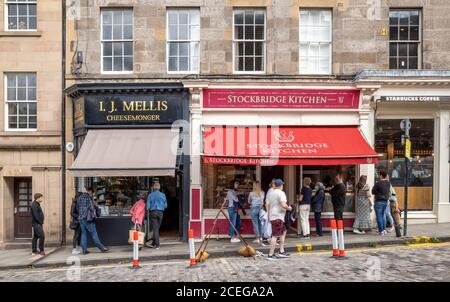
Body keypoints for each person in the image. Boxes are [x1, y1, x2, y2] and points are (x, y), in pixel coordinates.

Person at [266, 179, 292, 261]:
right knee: (275, 235)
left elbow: (267, 204)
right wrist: (289, 208)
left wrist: (269, 215)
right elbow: (283, 205)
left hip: (273, 216)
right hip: (278, 217)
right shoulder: (281, 193)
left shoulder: (271, 193)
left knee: (284, 231)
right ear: (281, 185)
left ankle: (281, 251)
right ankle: (270, 254)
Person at [78, 186, 109, 255]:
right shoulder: (88, 198)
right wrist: (96, 205)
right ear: (90, 191)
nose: (91, 194)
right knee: (94, 233)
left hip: (80, 218)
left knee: (83, 233)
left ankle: (84, 250)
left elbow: (78, 208)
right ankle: (102, 247)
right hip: (87, 219)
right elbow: (92, 209)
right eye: (91, 193)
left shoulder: (79, 198)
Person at [146, 182, 168, 249]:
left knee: (155, 229)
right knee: (157, 229)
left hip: (153, 212)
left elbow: (148, 206)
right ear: (159, 188)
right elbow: (166, 205)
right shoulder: (163, 195)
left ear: (153, 187)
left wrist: (147, 211)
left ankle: (157, 245)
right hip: (160, 212)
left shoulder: (150, 195)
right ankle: (153, 243)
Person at [372, 170, 392, 235]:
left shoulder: (378, 183)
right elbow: (388, 192)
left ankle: (381, 231)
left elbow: (373, 192)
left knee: (379, 216)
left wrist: (377, 192)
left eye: (378, 175)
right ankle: (384, 229)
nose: (378, 176)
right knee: (383, 215)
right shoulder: (388, 183)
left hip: (378, 201)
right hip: (385, 201)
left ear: (381, 175)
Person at [248, 181, 265, 246]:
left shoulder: (251, 193)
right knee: (260, 224)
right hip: (261, 209)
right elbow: (263, 200)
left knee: (255, 224)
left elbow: (249, 201)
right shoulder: (263, 193)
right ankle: (261, 237)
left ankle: (257, 238)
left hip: (254, 209)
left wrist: (252, 203)